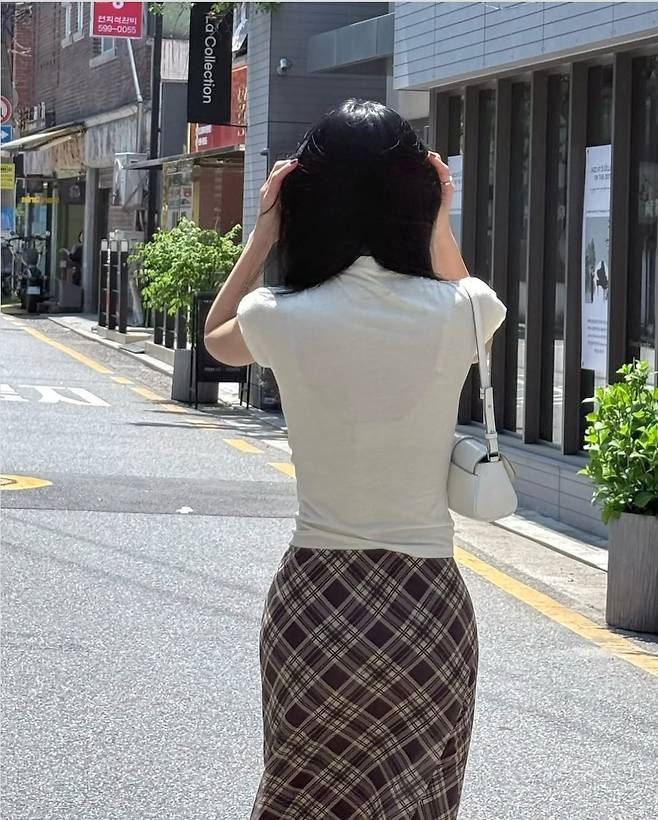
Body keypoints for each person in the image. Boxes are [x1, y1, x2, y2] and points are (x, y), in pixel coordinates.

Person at [204, 99, 507, 820]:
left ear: (307, 201)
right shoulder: (462, 311)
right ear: (417, 196)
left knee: (302, 797)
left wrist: (263, 234)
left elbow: (216, 338)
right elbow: (465, 291)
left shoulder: (279, 316)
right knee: (418, 802)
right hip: (427, 608)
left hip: (316, 602)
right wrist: (438, 219)